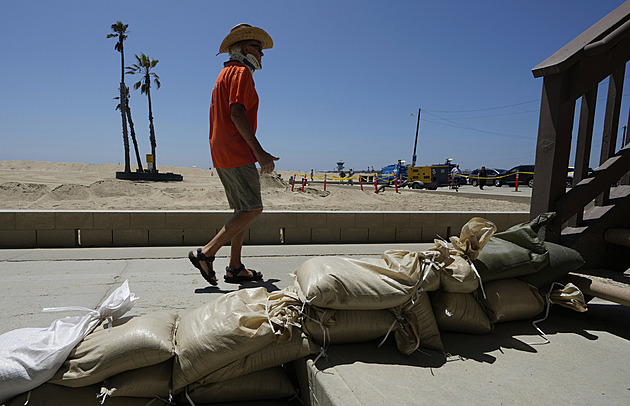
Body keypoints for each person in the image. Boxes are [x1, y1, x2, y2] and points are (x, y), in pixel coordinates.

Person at [188, 23, 278, 285]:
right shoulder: (241, 73)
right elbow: (237, 112)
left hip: (220, 148)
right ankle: (206, 253)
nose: (262, 54)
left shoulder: (223, 74)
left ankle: (235, 267)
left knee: (242, 208)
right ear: (241, 48)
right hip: (236, 150)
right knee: (253, 209)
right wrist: (259, 152)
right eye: (257, 48)